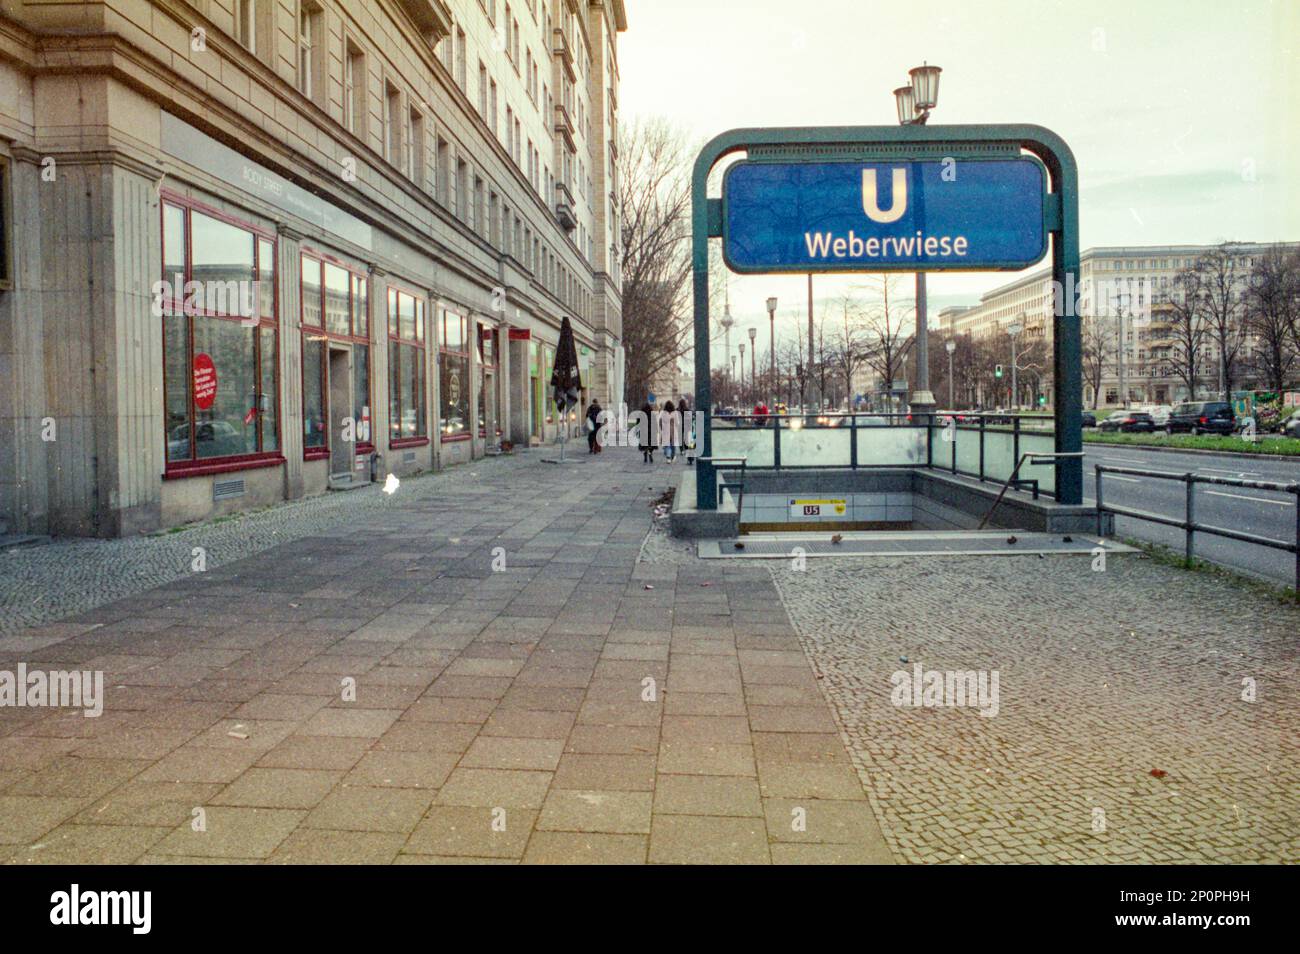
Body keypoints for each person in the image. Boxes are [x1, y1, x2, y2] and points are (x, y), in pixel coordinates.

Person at [639, 398, 655, 463]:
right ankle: (650, 453)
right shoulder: (652, 414)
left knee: (644, 444)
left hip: (643, 431)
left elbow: (638, 422)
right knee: (651, 444)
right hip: (650, 430)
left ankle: (645, 455)